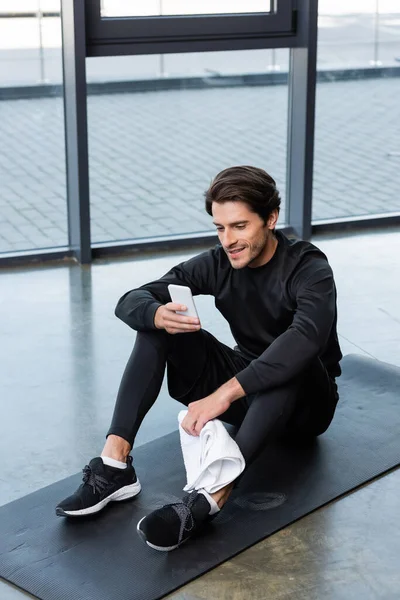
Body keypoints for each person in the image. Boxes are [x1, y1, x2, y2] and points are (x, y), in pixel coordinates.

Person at [56, 165, 342, 552]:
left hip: (307, 405)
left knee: (290, 357)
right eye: (220, 228)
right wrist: (157, 314)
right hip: (249, 395)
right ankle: (115, 465)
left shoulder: (309, 268)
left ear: (271, 219)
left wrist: (224, 394)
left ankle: (208, 497)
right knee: (159, 321)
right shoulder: (218, 263)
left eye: (239, 226)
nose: (229, 240)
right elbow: (133, 299)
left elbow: (306, 337)